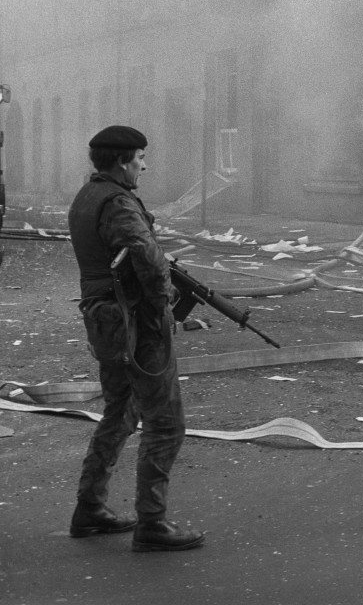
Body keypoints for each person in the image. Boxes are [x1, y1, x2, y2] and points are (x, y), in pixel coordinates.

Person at [67, 125, 204, 551]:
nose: (145, 165)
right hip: (136, 322)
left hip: (106, 320)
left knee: (121, 411)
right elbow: (144, 259)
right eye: (141, 157)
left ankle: (89, 507)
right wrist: (167, 304)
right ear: (124, 160)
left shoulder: (88, 196)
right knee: (165, 423)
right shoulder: (119, 201)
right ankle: (153, 523)